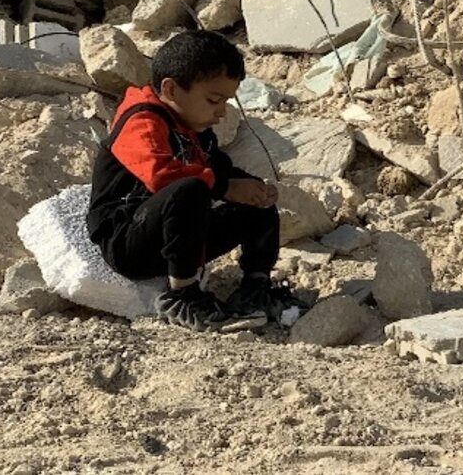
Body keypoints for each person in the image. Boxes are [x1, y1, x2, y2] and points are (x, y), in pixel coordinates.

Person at [85, 31, 306, 331]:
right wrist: (227, 188)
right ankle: (183, 296)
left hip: (178, 238)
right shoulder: (141, 121)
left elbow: (219, 170)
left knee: (255, 204)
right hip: (129, 241)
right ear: (171, 89)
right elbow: (162, 177)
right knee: (190, 189)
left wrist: (251, 189)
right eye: (214, 99)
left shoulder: (193, 129)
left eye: (226, 101)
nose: (221, 110)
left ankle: (255, 288)